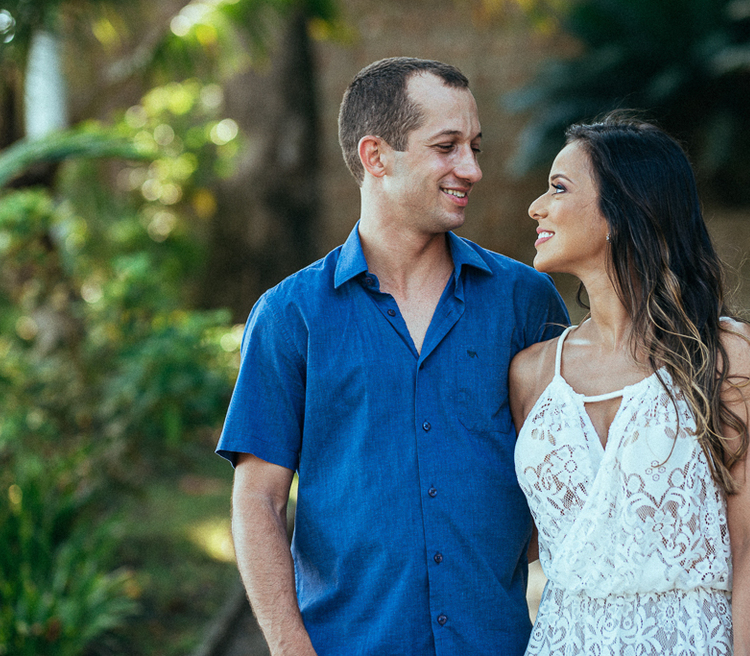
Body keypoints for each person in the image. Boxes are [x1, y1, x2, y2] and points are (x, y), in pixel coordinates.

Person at [217, 57, 569, 656]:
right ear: (376, 156)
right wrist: (289, 646)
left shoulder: (525, 301)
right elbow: (259, 499)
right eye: (447, 147)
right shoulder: (289, 316)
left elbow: (570, 472)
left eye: (475, 147)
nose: (472, 169)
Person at [511, 111, 750, 656]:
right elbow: (518, 538)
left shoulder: (728, 356)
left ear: (621, 212)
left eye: (558, 188)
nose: (536, 206)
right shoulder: (531, 374)